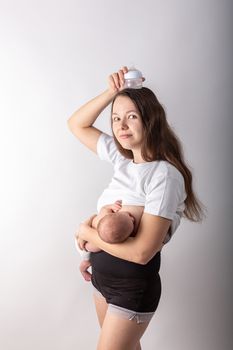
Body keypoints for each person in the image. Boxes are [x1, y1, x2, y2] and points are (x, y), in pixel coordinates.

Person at [68, 66, 205, 350]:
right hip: (102, 280)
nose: (121, 126)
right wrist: (111, 93)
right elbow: (76, 124)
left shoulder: (164, 175)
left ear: (150, 120)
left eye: (131, 116)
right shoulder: (123, 161)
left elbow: (143, 253)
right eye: (116, 118)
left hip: (131, 289)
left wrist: (88, 233)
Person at [78, 200, 140, 282]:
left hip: (87, 232)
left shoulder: (107, 217)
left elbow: (104, 208)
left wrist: (111, 206)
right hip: (83, 243)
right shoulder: (106, 214)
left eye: (133, 223)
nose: (132, 218)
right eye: (129, 216)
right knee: (87, 260)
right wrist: (112, 205)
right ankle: (83, 270)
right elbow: (86, 247)